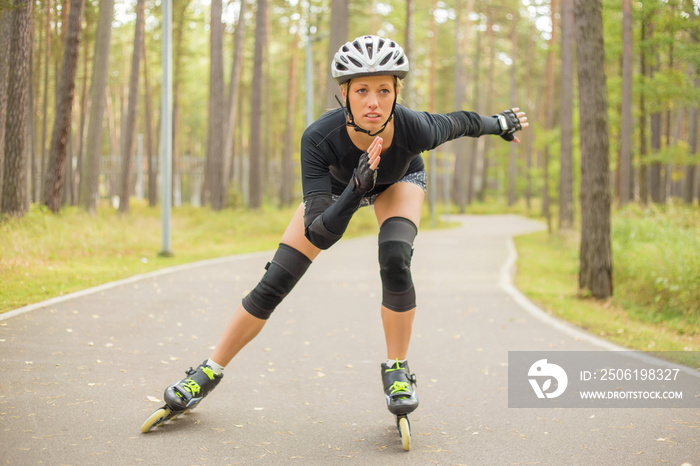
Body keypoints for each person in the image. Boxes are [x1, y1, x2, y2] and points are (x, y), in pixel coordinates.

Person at [155, 35, 527, 422]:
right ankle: (208, 371)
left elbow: (461, 122)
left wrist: (499, 123)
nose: (373, 102)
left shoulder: (415, 127)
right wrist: (354, 191)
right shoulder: (319, 138)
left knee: (396, 258)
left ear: (396, 93)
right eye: (362, 90)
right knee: (276, 280)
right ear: (345, 94)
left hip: (399, 179)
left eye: (384, 90)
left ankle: (397, 370)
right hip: (337, 190)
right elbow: (320, 234)